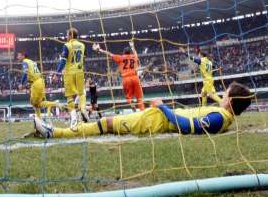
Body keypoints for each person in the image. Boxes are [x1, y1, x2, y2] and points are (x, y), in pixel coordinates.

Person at [34, 81, 252, 139]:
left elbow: (187, 127)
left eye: (224, 95)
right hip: (154, 117)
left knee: (106, 124)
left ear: (230, 101)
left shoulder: (218, 118)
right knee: (105, 123)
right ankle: (75, 126)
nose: (221, 96)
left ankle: (55, 133)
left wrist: (163, 107)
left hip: (155, 121)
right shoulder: (223, 116)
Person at [93, 41, 145, 111]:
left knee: (129, 97)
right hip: (135, 77)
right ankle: (142, 111)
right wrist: (132, 46)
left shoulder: (121, 57)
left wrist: (100, 49)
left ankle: (131, 104)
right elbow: (135, 53)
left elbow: (110, 54)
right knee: (139, 98)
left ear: (124, 53)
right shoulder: (134, 57)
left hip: (126, 79)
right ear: (130, 52)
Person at [52, 28, 88, 128]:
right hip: (80, 71)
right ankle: (83, 109)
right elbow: (84, 57)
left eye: (67, 35)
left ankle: (73, 118)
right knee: (81, 93)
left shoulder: (67, 45)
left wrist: (57, 73)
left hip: (69, 73)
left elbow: (63, 61)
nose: (66, 37)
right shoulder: (82, 45)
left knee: (69, 96)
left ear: (71, 35)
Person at [17, 51, 58, 120]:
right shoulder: (32, 62)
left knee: (34, 103)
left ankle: (53, 104)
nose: (17, 57)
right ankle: (40, 119)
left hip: (36, 83)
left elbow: (25, 73)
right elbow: (32, 73)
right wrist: (28, 83)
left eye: (18, 55)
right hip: (40, 82)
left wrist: (21, 83)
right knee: (37, 103)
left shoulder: (25, 62)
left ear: (23, 56)